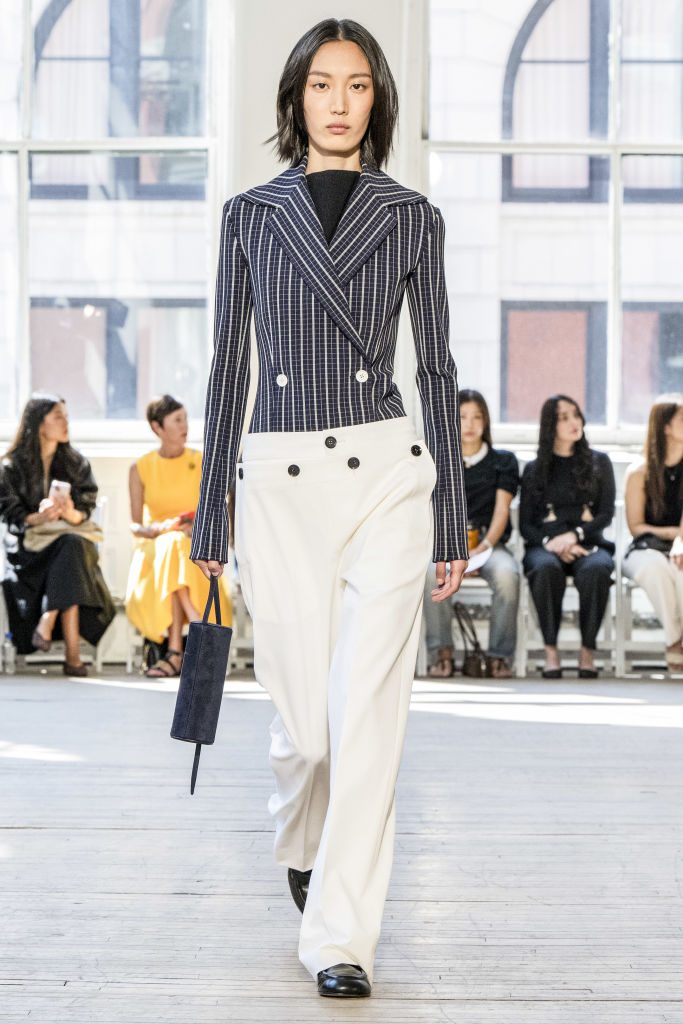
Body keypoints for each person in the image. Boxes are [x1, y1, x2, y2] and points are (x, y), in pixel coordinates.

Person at [189, 20, 468, 999]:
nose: (339, 101)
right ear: (295, 100)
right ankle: (299, 838)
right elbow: (227, 363)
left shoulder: (411, 217)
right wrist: (207, 515)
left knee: (370, 720)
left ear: (376, 99)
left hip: (388, 474)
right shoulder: (247, 217)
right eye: (320, 83)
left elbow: (433, 365)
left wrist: (452, 516)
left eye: (356, 84)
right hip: (277, 480)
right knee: (307, 730)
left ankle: (339, 934)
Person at [0, 392, 115, 676]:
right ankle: (73, 658)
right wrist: (39, 517)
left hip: (68, 545)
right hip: (31, 554)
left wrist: (68, 512)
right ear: (39, 423)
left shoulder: (76, 463)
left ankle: (48, 619)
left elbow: (83, 512)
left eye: (66, 415)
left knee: (72, 546)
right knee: (73, 551)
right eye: (58, 416)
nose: (66, 422)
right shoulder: (10, 467)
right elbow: (11, 517)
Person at [125, 394, 231, 678]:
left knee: (180, 547)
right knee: (172, 544)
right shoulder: (140, 468)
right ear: (157, 428)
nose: (186, 427)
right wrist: (161, 528)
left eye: (186, 419)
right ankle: (196, 627)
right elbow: (136, 525)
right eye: (177, 421)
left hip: (193, 545)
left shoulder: (201, 462)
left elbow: (218, 511)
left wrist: (191, 528)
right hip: (155, 548)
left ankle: (174, 652)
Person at [423, 389, 520, 678]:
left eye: (478, 417)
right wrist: (454, 552)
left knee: (507, 575)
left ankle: (499, 657)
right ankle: (442, 652)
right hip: (448, 547)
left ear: (486, 422)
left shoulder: (503, 461)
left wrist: (484, 547)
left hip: (489, 546)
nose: (470, 424)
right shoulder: (437, 459)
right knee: (432, 576)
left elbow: (502, 509)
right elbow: (430, 509)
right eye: (463, 416)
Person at [520, 394, 615, 678]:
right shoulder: (534, 469)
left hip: (589, 543)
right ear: (550, 426)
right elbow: (527, 525)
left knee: (597, 569)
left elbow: (605, 515)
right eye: (564, 417)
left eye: (576, 414)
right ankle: (552, 652)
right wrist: (553, 543)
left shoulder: (600, 463)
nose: (574, 422)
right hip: (545, 546)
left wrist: (574, 535)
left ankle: (588, 652)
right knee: (545, 568)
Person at [622, 395, 683, 672]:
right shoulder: (639, 472)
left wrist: (679, 541)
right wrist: (673, 533)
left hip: (680, 547)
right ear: (665, 427)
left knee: (679, 567)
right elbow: (636, 526)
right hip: (645, 548)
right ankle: (675, 640)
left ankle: (676, 643)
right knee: (656, 567)